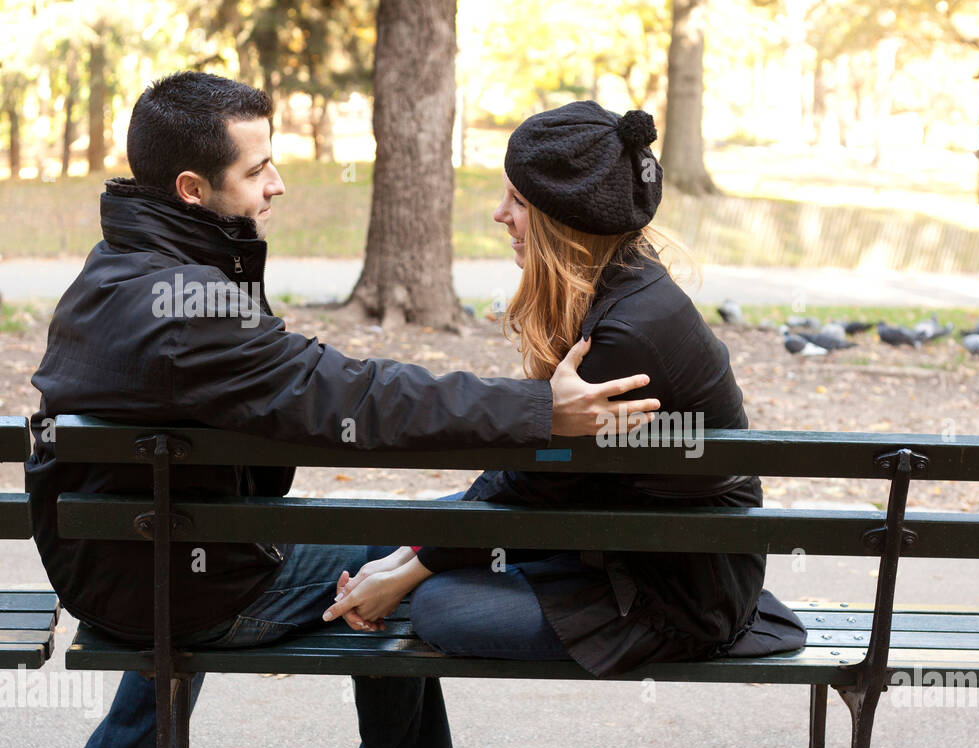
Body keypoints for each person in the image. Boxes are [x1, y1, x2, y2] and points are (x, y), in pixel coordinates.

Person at [26, 73, 659, 748]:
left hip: (118, 568)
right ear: (192, 189)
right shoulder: (190, 310)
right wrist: (538, 412)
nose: (278, 185)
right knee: (382, 546)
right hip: (183, 585)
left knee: (172, 542)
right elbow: (358, 399)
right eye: (257, 170)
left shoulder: (115, 270)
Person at [323, 101, 806, 677]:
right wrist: (410, 553)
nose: (500, 215)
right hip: (616, 530)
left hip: (669, 593)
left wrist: (411, 572)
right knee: (400, 543)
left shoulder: (627, 334)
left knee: (438, 604)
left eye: (519, 202)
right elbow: (536, 471)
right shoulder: (626, 284)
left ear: (563, 218)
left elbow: (541, 486)